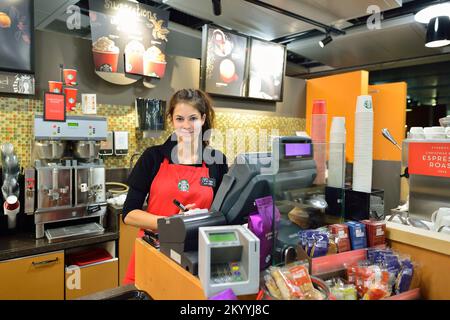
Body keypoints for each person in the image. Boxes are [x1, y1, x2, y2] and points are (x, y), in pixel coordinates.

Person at [122, 89, 228, 284]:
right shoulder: (152, 157)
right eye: (180, 119)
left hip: (196, 255)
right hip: (154, 250)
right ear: (171, 120)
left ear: (203, 119)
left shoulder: (217, 162)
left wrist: (201, 217)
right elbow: (129, 213)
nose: (186, 126)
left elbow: (224, 214)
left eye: (193, 118)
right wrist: (172, 225)